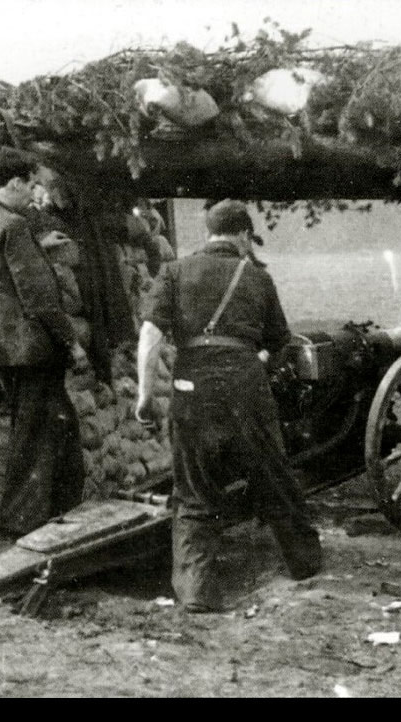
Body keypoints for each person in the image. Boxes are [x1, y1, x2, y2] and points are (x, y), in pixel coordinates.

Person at [135, 199, 323, 613]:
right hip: (245, 388)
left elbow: (150, 336)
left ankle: (196, 592)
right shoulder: (256, 276)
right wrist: (252, 361)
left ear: (208, 233)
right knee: (273, 474)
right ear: (243, 235)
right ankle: (305, 564)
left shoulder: (174, 271)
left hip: (191, 388)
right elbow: (278, 341)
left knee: (193, 490)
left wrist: (145, 396)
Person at [0, 147, 85, 537]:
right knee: (36, 437)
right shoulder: (13, 225)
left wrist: (37, 250)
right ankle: (20, 524)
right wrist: (71, 342)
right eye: (30, 185)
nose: (33, 194)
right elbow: (38, 295)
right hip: (33, 349)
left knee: (56, 429)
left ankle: (62, 513)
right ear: (13, 183)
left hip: (3, 349)